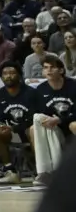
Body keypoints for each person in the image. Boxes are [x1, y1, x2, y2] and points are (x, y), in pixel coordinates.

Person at [0, 62, 39, 185]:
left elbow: (33, 117)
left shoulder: (31, 92)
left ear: (19, 75)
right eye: (5, 74)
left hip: (29, 128)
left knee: (33, 130)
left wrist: (14, 127)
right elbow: (0, 117)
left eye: (12, 73)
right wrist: (4, 127)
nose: (8, 76)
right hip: (12, 130)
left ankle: (40, 170)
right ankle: (10, 171)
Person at [32, 54, 76, 186]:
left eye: (52, 67)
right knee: (35, 125)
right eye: (45, 68)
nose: (48, 70)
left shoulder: (73, 86)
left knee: (74, 125)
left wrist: (60, 120)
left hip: (69, 125)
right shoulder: (40, 89)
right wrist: (53, 121)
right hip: (54, 129)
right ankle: (45, 172)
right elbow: (43, 115)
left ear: (61, 70)